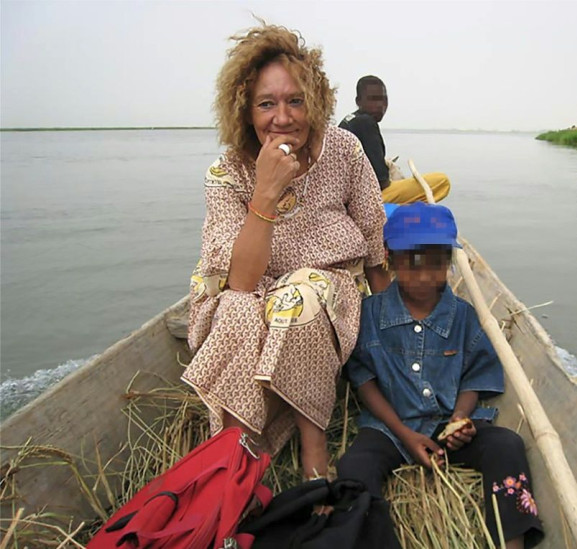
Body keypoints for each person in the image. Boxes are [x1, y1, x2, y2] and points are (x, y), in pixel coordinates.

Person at [182, 24, 391, 482]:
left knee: (302, 298)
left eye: (295, 101)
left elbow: (373, 233)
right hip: (251, 281)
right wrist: (266, 192)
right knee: (235, 307)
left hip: (325, 282)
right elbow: (238, 280)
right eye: (266, 104)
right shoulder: (225, 173)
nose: (282, 117)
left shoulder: (343, 148)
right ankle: (236, 451)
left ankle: (312, 445)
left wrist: (388, 317)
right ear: (244, 110)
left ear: (314, 101)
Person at [336, 202, 544, 548]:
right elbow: (363, 379)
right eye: (412, 264)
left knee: (506, 445)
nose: (424, 276)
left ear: (449, 262)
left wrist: (461, 419)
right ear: (389, 258)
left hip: (447, 423)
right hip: (390, 428)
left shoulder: (463, 317)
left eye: (437, 263)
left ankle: (511, 541)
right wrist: (404, 434)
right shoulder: (370, 314)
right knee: (353, 469)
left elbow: (475, 376)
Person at [339, 76, 451, 204]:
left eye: (383, 100)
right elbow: (382, 182)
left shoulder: (349, 120)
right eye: (373, 100)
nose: (380, 106)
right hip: (362, 200)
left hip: (345, 195)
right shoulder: (366, 122)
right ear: (358, 101)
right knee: (442, 181)